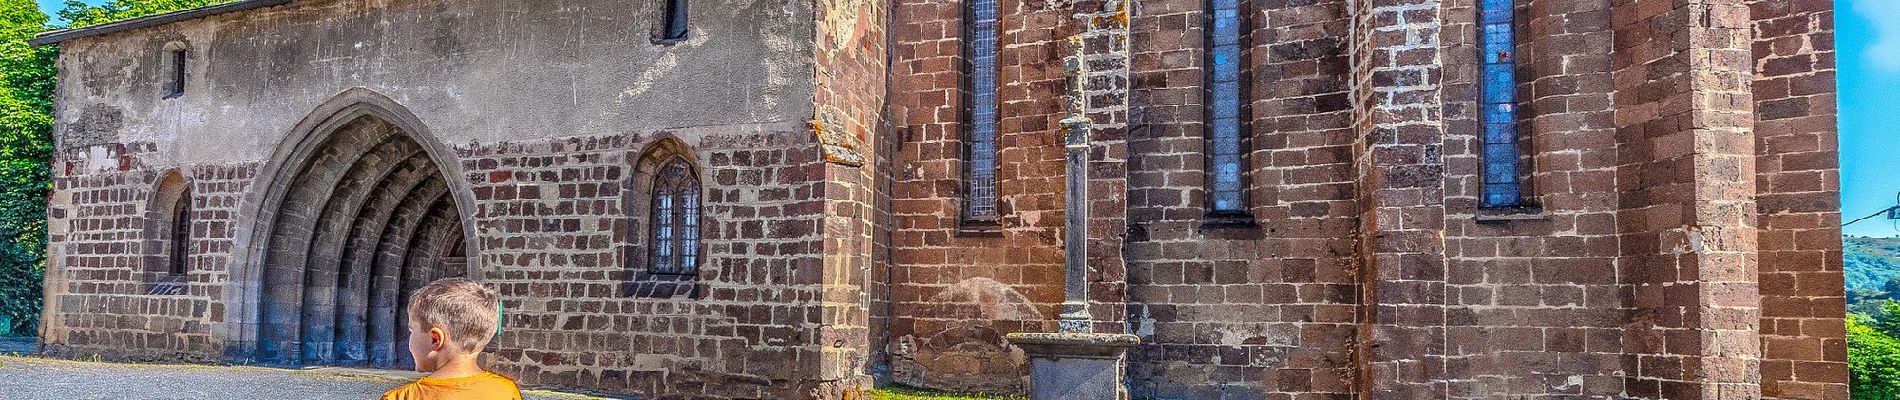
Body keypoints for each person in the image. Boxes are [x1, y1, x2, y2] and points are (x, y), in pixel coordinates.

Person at [382, 278, 521, 400]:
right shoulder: (506, 391)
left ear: (435, 339)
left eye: (411, 331)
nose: (409, 339)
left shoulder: (402, 397)